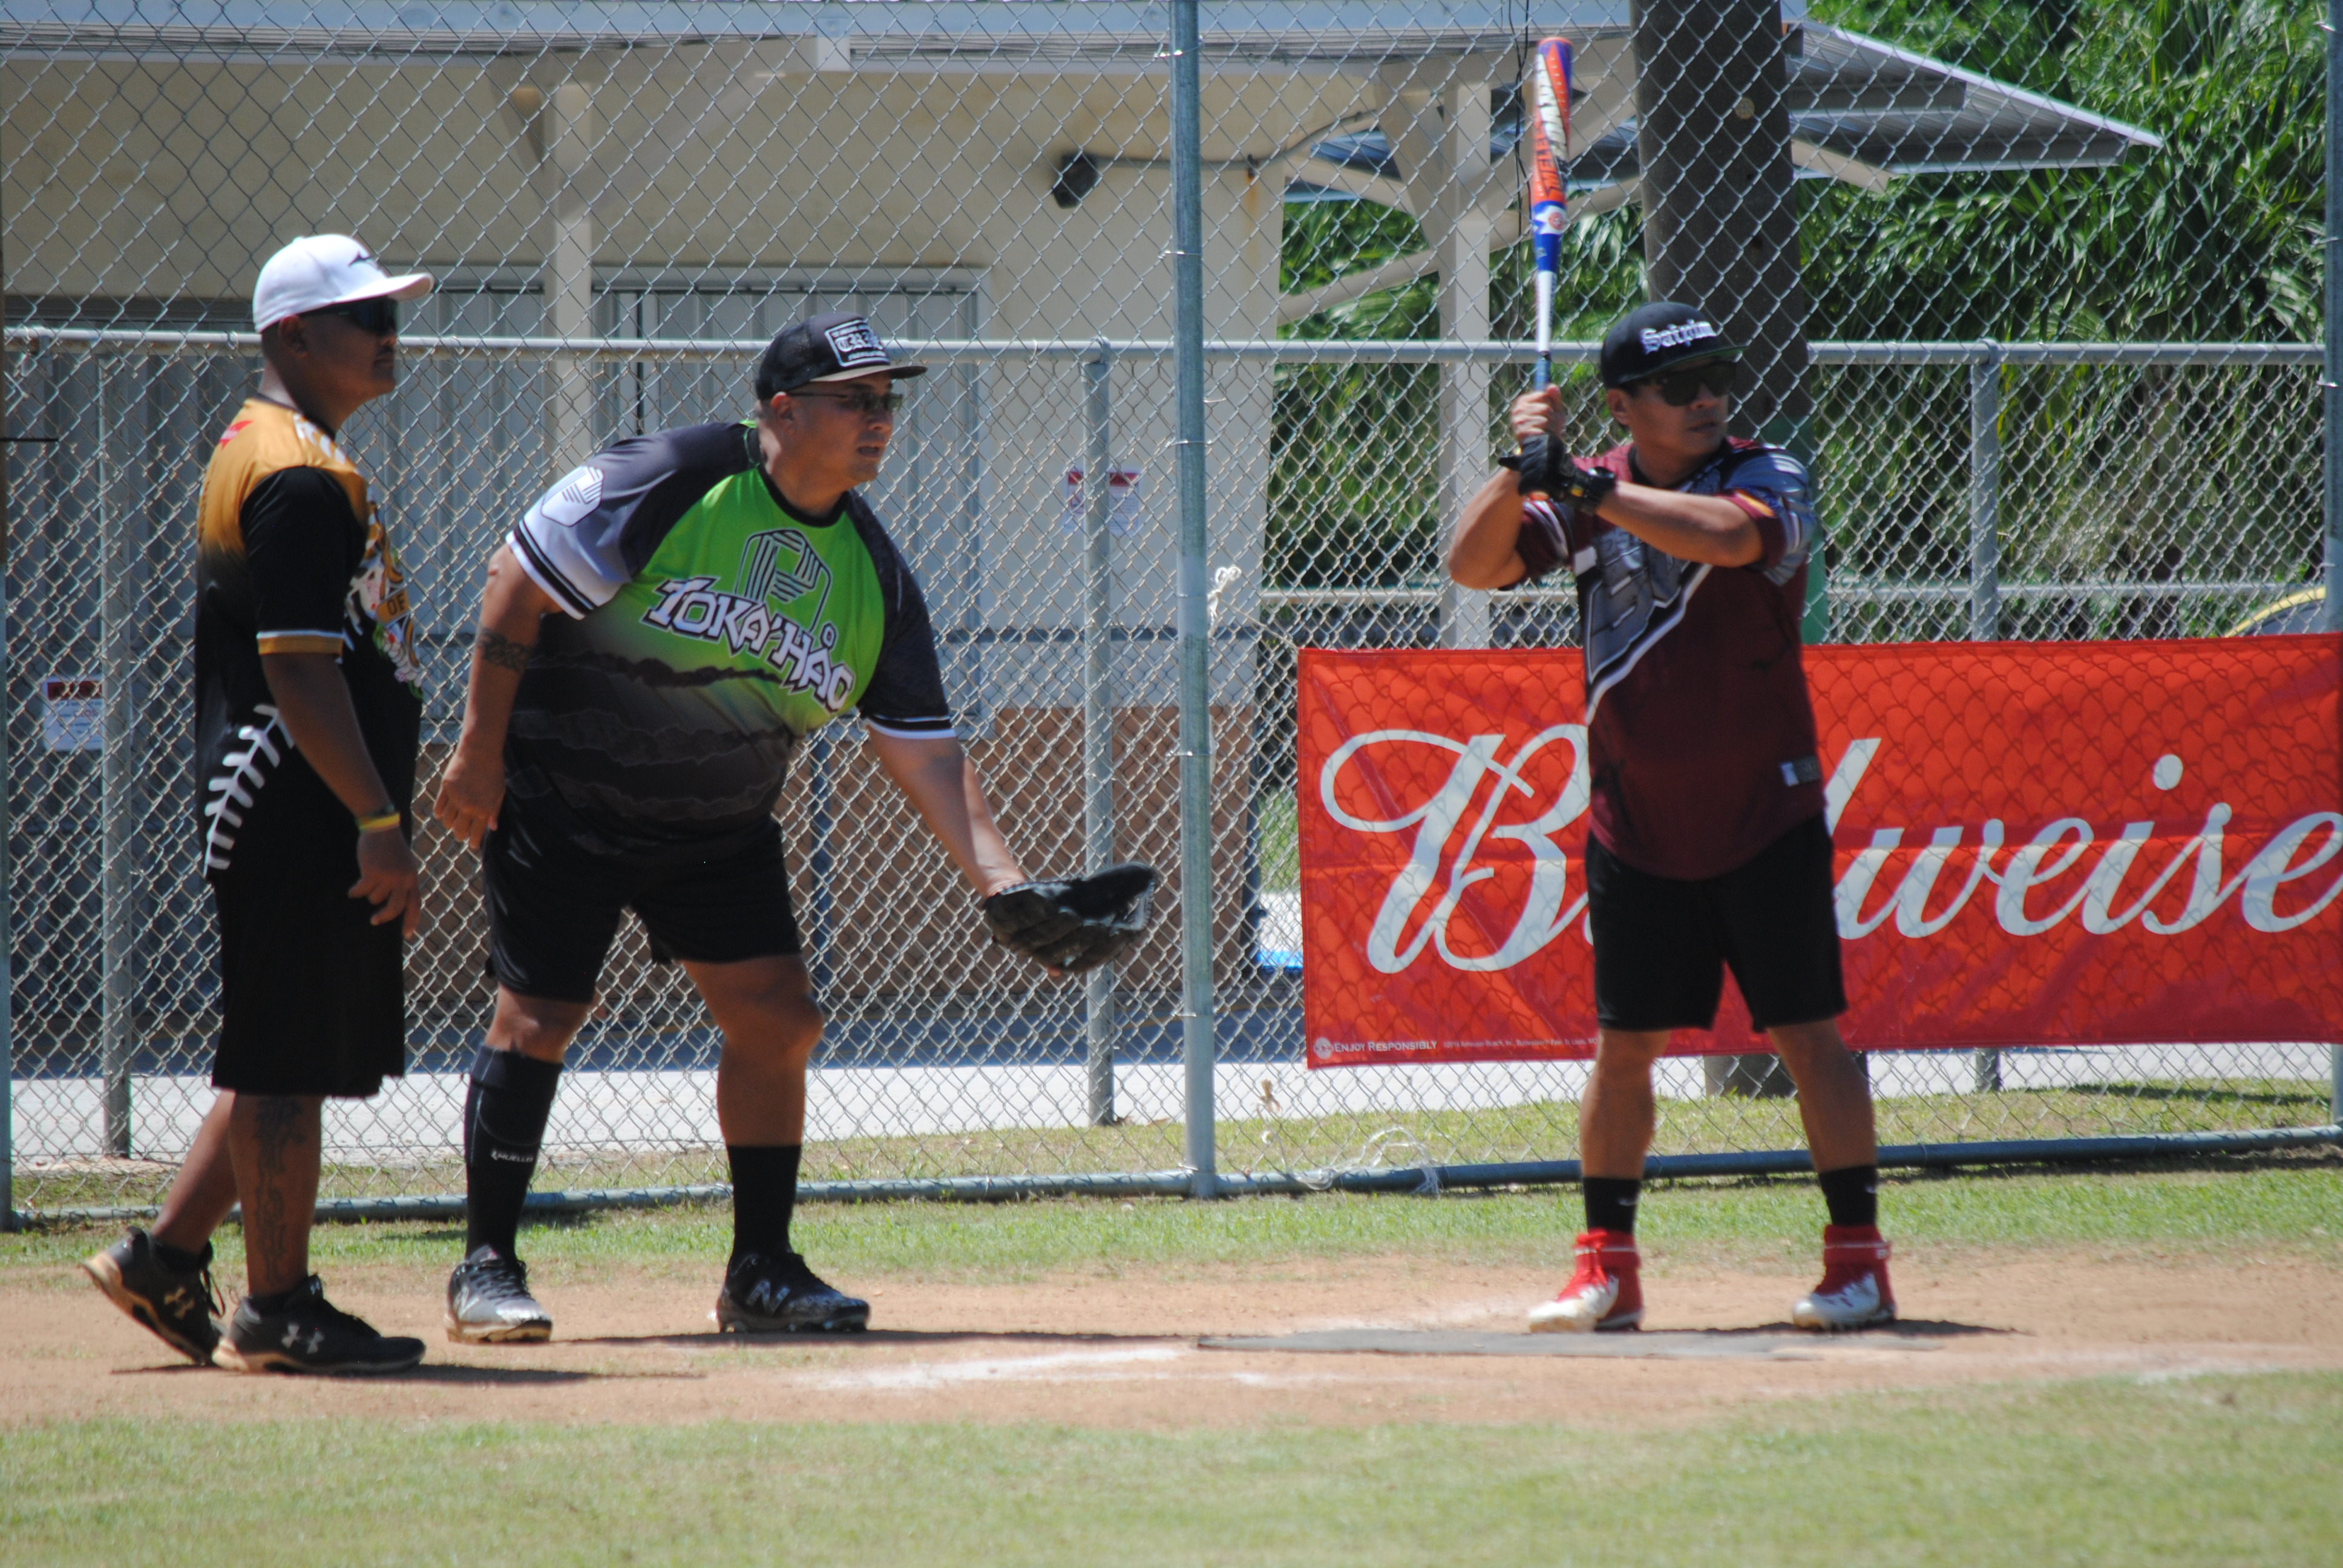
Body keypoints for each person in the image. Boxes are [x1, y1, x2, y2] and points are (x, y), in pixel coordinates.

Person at [431, 312, 1052, 1342]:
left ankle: (759, 1267)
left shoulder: (876, 574)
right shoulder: (677, 474)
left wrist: (1002, 881)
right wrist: (478, 751)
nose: (878, 421)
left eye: (886, 402)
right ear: (780, 410)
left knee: (779, 1019)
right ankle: (485, 1265)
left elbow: (926, 751)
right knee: (538, 1017)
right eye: (854, 400)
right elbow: (517, 583)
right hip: (566, 794)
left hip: (716, 826)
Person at [1448, 300, 1895, 1334]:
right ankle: (1605, 1269)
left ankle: (1859, 1262)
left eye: (1717, 378)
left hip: (1762, 810)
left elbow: (1735, 542)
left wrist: (1592, 485)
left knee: (1809, 1037)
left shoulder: (1763, 470)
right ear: (1623, 404)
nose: (1707, 399)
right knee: (1625, 1046)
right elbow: (1474, 566)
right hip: (1635, 818)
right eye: (1680, 386)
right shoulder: (1583, 486)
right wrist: (1524, 469)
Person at [81, 235, 433, 1373]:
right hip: (297, 799)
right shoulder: (293, 472)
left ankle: (165, 1261)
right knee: (286, 1060)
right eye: (362, 316)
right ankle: (278, 1308)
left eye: (391, 314)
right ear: (291, 335)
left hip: (300, 792)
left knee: (283, 1041)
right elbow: (298, 668)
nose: (388, 334)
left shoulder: (290, 449)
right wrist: (379, 821)